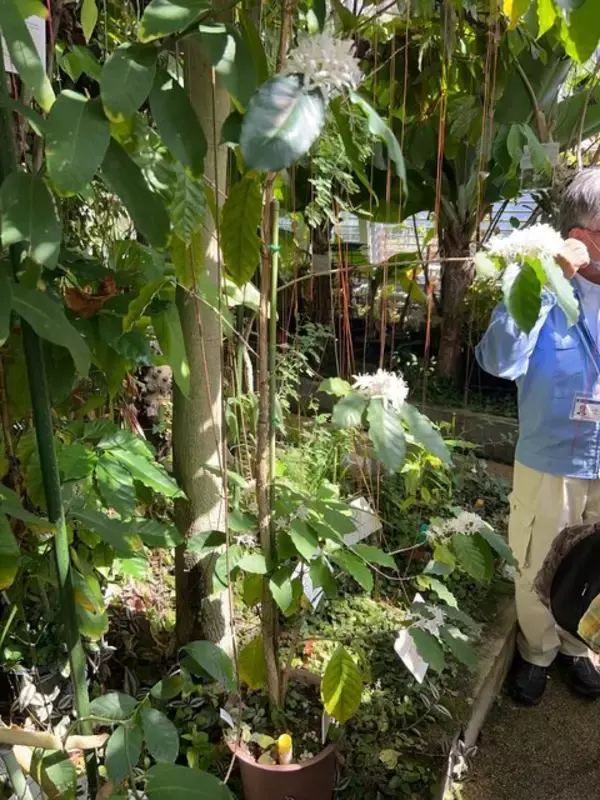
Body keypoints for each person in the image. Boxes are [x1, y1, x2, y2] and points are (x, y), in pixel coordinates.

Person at [476, 168, 600, 705]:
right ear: (582, 235)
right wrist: (548, 278)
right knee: (538, 560)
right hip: (552, 457)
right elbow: (499, 360)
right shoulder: (541, 285)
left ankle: (576, 647)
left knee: (593, 566)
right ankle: (536, 653)